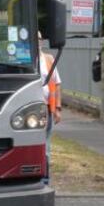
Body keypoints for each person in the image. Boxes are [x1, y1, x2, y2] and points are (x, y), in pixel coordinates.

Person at [39, 34, 62, 185]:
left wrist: (58, 108)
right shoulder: (24, 60)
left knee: (46, 145)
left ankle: (45, 179)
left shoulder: (48, 59)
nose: (37, 42)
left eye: (39, 39)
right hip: (31, 107)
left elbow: (57, 84)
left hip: (47, 108)